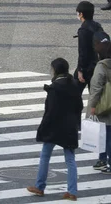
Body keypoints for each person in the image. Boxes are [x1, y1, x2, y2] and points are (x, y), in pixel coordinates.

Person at [26, 58, 82, 201]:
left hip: (54, 127)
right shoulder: (74, 85)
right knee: (70, 159)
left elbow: (49, 111)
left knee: (45, 155)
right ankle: (72, 191)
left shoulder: (55, 87)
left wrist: (43, 128)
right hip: (70, 128)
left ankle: (40, 187)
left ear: (55, 70)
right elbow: (79, 107)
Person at [88, 32, 111, 174]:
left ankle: (105, 161)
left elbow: (95, 90)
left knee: (106, 137)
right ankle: (102, 160)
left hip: (104, 106)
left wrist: (91, 107)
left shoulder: (101, 67)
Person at [75, 1, 104, 91]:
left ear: (81, 14)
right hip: (98, 64)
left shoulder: (83, 30)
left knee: (74, 91)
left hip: (87, 67)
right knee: (95, 92)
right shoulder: (98, 26)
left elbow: (83, 52)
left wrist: (80, 70)